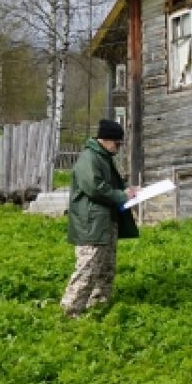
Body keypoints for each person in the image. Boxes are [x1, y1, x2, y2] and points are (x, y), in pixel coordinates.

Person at [60, 119, 139, 318]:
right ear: (105, 139)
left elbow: (108, 186)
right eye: (117, 143)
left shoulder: (103, 157)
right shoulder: (90, 158)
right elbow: (95, 188)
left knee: (105, 268)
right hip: (91, 225)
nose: (119, 148)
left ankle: (98, 306)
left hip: (104, 222)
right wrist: (122, 196)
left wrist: (128, 191)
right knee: (87, 269)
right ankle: (69, 312)